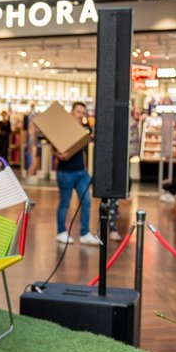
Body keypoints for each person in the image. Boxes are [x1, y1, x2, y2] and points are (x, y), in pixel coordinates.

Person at [54, 102, 99, 246]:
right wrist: (58, 154)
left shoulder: (84, 130)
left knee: (86, 202)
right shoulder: (62, 129)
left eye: (83, 113)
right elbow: (54, 147)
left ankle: (85, 233)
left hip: (81, 172)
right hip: (65, 172)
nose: (81, 115)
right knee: (64, 203)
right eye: (78, 112)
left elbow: (84, 151)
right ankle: (61, 232)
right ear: (72, 112)